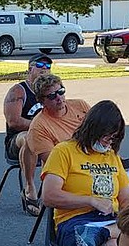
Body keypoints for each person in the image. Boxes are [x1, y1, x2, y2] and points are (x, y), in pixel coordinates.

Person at [40, 101, 129, 246]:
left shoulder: (112, 156)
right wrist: (90, 200)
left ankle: (103, 233)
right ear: (94, 129)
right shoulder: (64, 151)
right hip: (74, 221)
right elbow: (49, 196)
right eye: (107, 137)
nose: (109, 142)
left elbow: (126, 198)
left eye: (114, 138)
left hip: (109, 221)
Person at [27, 73, 91, 210]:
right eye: (51, 96)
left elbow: (102, 133)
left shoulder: (81, 106)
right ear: (41, 101)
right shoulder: (39, 127)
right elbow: (55, 163)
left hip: (97, 164)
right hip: (69, 175)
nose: (59, 98)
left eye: (61, 91)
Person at [3, 53, 53, 215]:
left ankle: (55, 189)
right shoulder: (18, 91)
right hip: (16, 141)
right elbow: (14, 122)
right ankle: (30, 187)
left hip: (46, 138)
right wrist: (40, 127)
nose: (44, 70)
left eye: (48, 67)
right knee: (30, 138)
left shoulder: (52, 92)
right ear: (30, 69)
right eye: (40, 66)